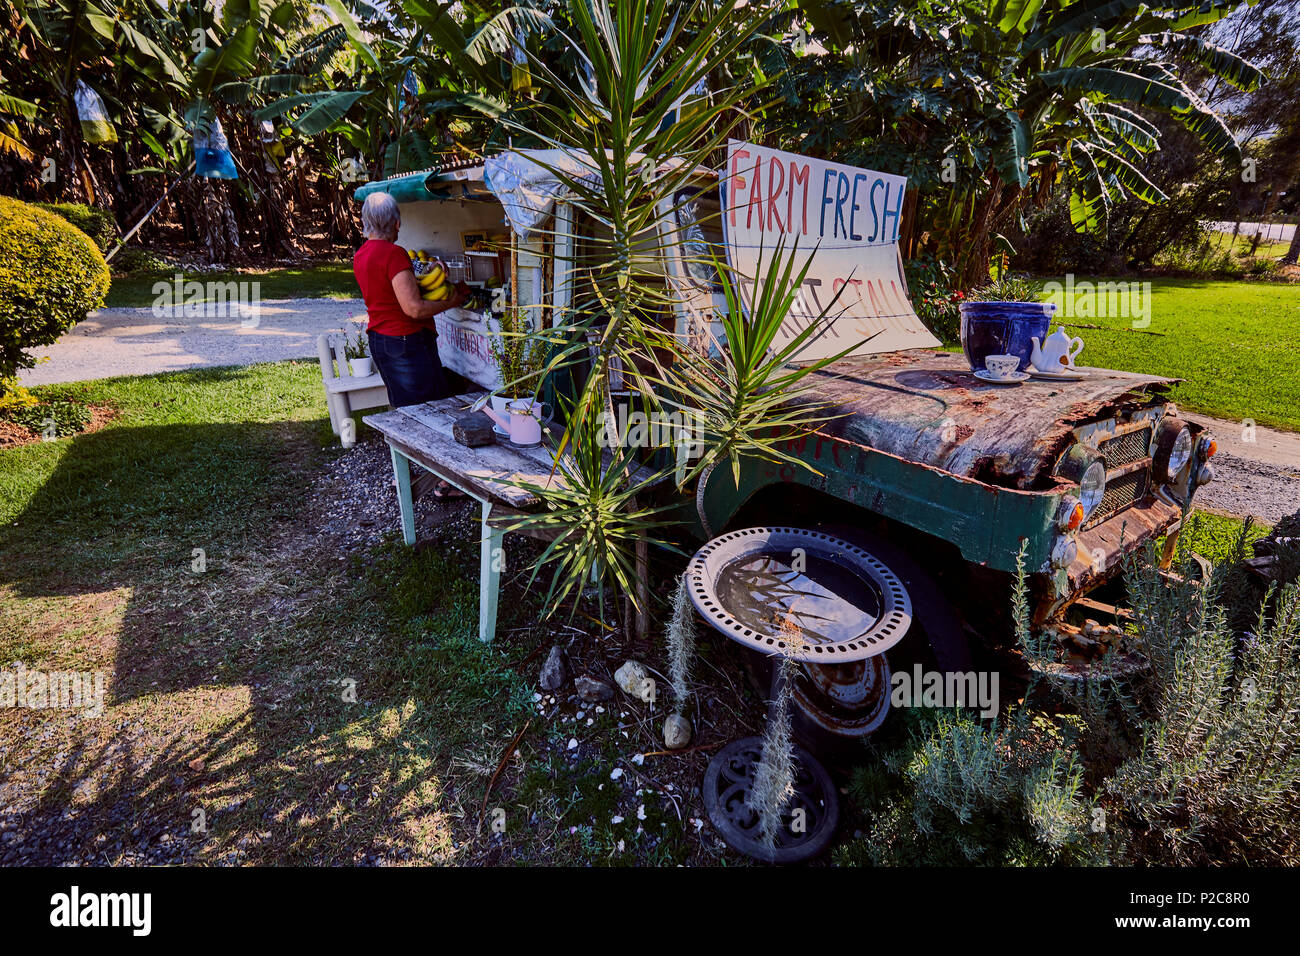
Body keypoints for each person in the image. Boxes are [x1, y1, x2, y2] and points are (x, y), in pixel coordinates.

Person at [354, 190, 469, 499]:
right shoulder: (393, 254)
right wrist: (453, 300)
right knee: (431, 412)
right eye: (398, 221)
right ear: (394, 221)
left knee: (405, 411)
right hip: (406, 342)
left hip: (381, 340)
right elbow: (414, 309)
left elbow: (390, 293)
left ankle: (407, 475)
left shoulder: (362, 254)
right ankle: (443, 481)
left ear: (366, 222)